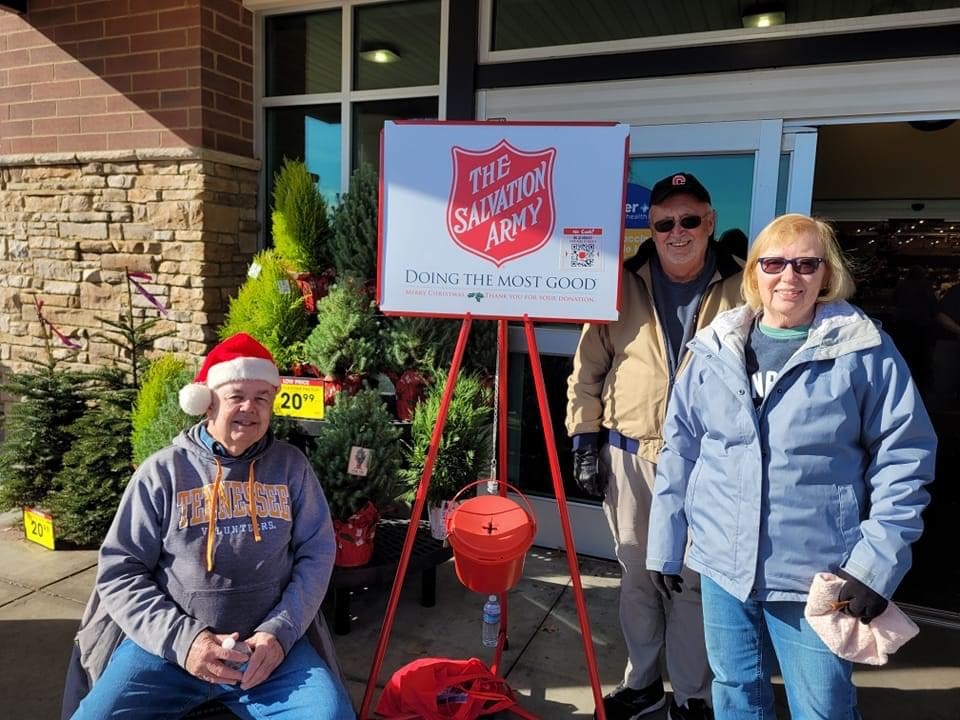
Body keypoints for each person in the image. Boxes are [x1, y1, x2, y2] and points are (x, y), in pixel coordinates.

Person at [646, 214, 936, 719]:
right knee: (735, 693)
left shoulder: (863, 351)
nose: (789, 277)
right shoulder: (715, 348)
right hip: (722, 568)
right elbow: (682, 449)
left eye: (806, 264)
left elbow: (904, 456)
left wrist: (875, 564)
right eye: (775, 263)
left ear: (827, 274)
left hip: (815, 575)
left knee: (821, 708)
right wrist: (666, 545)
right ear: (754, 273)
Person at [61, 333, 355, 720]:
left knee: (331, 715)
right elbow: (120, 571)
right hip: (167, 652)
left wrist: (279, 633)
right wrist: (186, 641)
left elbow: (317, 555)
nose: (250, 408)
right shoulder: (163, 472)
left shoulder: (291, 467)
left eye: (262, 397)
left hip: (267, 653)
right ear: (207, 402)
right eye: (236, 396)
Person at [566, 172, 743, 720]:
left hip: (709, 464)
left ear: (709, 223)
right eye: (665, 222)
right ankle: (642, 684)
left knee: (691, 584)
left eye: (690, 219)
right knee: (639, 577)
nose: (678, 231)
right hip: (631, 457)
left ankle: (692, 696)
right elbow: (586, 371)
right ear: (652, 228)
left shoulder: (745, 289)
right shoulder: (619, 284)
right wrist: (584, 438)